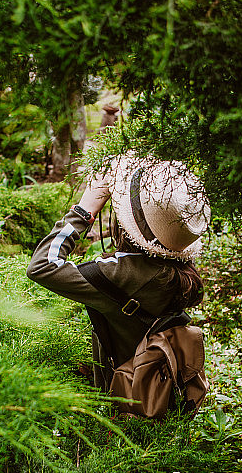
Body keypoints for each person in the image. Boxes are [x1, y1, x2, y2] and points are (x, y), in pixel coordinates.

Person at [26, 154, 210, 392]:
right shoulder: (176, 265)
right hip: (161, 380)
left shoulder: (119, 273)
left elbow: (42, 266)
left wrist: (83, 212)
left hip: (125, 391)